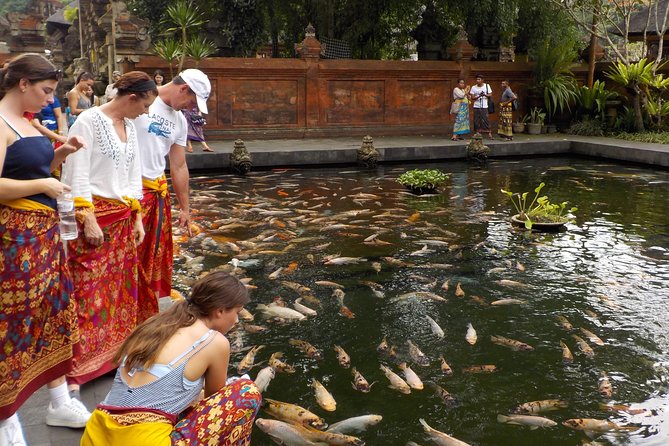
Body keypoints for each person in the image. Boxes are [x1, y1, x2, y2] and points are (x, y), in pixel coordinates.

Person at [0, 53, 90, 444]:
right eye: (45, 91)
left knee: (56, 311)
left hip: (45, 233)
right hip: (14, 238)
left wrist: (60, 157)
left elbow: (33, 171)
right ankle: (6, 418)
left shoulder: (27, 121)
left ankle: (57, 399)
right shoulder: (1, 123)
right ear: (22, 83)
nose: (49, 100)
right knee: (13, 324)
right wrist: (44, 186)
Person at [80, 271, 262, 446]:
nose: (237, 320)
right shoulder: (215, 342)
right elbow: (214, 400)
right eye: (237, 312)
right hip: (141, 440)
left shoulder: (157, 324)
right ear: (220, 311)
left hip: (95, 433)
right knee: (246, 392)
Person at [60, 71, 158, 393]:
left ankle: (113, 356)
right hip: (96, 217)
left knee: (120, 291)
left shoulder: (129, 126)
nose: (145, 113)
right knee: (89, 291)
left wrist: (138, 217)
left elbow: (132, 175)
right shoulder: (88, 121)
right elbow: (77, 170)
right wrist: (86, 217)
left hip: (122, 217)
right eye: (144, 106)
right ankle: (80, 367)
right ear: (132, 98)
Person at [133, 68, 211, 301]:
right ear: (183, 88)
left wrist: (185, 208)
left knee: (153, 255)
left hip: (156, 192)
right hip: (128, 191)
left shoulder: (179, 120)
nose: (191, 108)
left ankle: (145, 302)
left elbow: (178, 166)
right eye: (191, 101)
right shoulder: (140, 98)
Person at [469, 74, 493, 139]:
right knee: (476, 119)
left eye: (479, 79)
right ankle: (477, 132)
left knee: (485, 119)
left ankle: (489, 133)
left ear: (482, 80)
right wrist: (479, 95)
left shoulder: (487, 86)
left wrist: (484, 95)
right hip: (476, 106)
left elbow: (490, 94)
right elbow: (472, 97)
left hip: (484, 105)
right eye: (477, 79)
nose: (477, 81)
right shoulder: (473, 87)